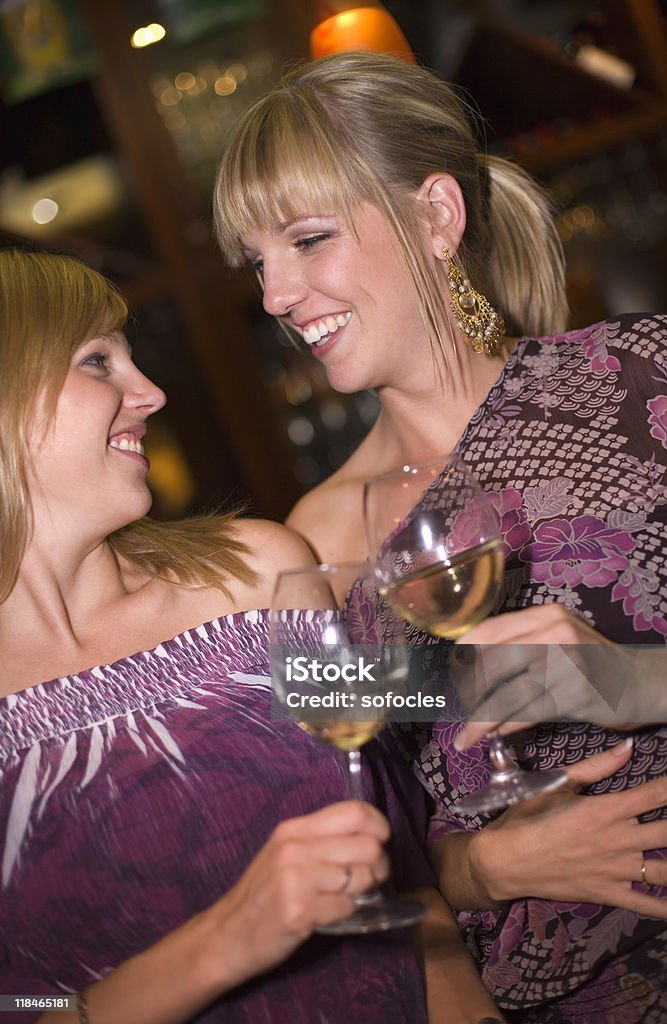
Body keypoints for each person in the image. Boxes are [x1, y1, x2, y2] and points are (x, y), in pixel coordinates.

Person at [212, 51, 667, 1021]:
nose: (273, 293)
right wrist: (485, 867)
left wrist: (634, 685)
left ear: (435, 215)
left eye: (305, 239)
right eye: (257, 260)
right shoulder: (313, 542)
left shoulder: (642, 381)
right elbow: (362, 850)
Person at [0, 250, 507, 1024]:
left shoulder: (253, 577)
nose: (150, 393)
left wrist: (627, 680)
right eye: (97, 360)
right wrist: (232, 937)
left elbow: (408, 818)